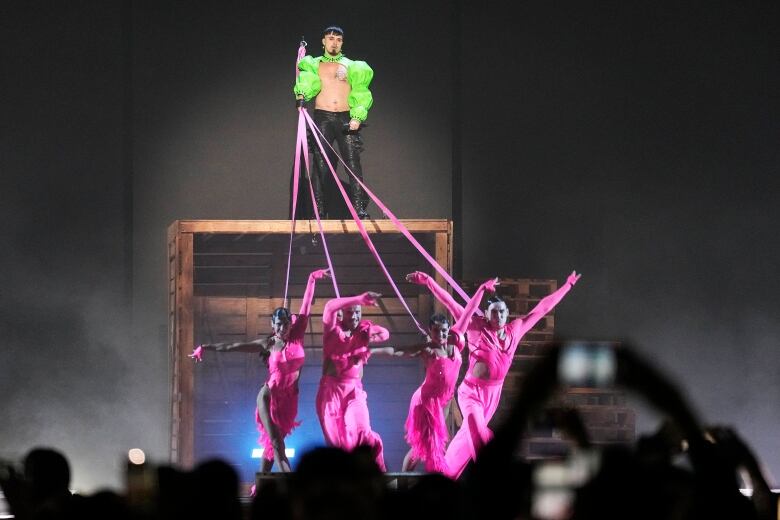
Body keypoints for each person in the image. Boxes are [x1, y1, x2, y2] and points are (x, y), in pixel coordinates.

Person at [406, 270, 581, 479]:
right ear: (486, 314)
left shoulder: (515, 330)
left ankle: (444, 479)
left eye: (501, 312)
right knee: (479, 441)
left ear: (507, 313)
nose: (497, 316)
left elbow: (542, 308)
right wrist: (429, 282)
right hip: (471, 394)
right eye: (493, 312)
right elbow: (452, 303)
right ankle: (490, 484)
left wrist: (567, 286)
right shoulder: (475, 326)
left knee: (463, 449)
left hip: (492, 397)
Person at [190, 268, 330, 472]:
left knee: (272, 445)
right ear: (273, 325)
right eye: (279, 324)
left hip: (289, 398)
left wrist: (311, 278)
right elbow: (233, 346)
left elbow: (307, 305)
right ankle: (293, 487)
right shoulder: (268, 344)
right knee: (276, 443)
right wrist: (205, 347)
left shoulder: (297, 334)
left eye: (287, 324)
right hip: (268, 396)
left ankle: (260, 484)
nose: (284, 328)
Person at [401, 278, 498, 474]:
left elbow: (469, 309)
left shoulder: (457, 337)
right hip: (426, 402)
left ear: (448, 330)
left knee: (423, 448)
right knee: (426, 446)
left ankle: (406, 480)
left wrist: (480, 289)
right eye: (436, 331)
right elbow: (402, 352)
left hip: (443, 402)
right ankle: (402, 481)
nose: (441, 334)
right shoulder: (430, 350)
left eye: (444, 330)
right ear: (431, 332)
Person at [294, 25, 373, 219]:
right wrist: (302, 95)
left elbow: (360, 91)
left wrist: (357, 116)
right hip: (323, 118)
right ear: (323, 41)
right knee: (320, 164)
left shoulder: (352, 65)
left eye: (338, 39)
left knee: (353, 164)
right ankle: (318, 211)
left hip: (345, 117)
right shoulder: (314, 64)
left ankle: (358, 209)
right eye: (330, 38)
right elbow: (307, 82)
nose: (334, 42)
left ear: (342, 42)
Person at [315, 291, 395, 471]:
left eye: (358, 312)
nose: (356, 316)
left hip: (354, 392)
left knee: (361, 430)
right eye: (351, 312)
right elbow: (329, 307)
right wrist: (359, 299)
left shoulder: (362, 332)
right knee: (337, 445)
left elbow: (385, 334)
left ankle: (377, 462)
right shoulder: (332, 330)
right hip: (331, 394)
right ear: (342, 314)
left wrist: (368, 330)